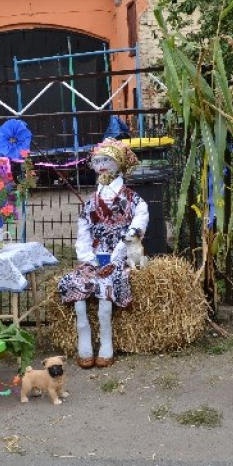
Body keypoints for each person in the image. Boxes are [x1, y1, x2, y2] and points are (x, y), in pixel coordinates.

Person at [57, 138, 149, 368]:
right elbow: (83, 233)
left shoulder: (132, 199)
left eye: (107, 160)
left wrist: (117, 255)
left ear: (119, 164)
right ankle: (84, 338)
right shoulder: (90, 203)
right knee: (78, 284)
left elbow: (136, 226)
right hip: (93, 257)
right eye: (97, 161)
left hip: (118, 257)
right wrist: (87, 258)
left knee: (106, 289)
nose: (102, 165)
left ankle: (106, 341)